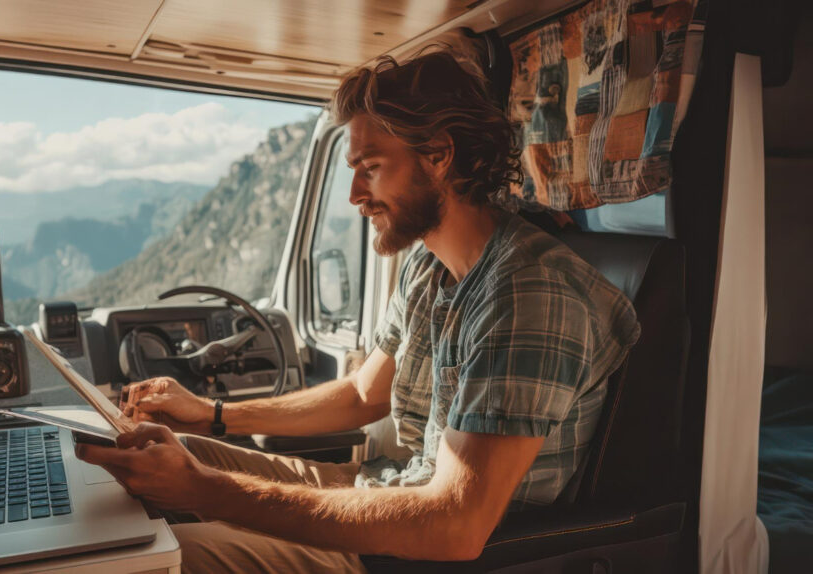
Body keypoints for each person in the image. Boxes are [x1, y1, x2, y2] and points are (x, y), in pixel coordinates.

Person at [76, 50, 641, 573]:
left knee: (163, 559)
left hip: (419, 550)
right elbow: (362, 395)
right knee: (157, 453)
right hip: (389, 489)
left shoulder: (526, 294)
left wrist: (203, 492)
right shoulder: (430, 267)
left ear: (439, 156)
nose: (353, 194)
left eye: (369, 167)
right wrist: (211, 415)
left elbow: (456, 526)